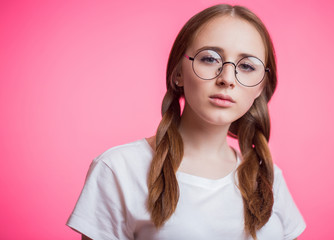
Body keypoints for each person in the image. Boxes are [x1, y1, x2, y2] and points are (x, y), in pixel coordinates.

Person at [67, 4, 306, 240]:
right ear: (178, 72)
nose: (227, 79)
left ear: (261, 87)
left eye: (246, 66)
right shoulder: (119, 169)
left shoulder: (268, 178)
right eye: (210, 59)